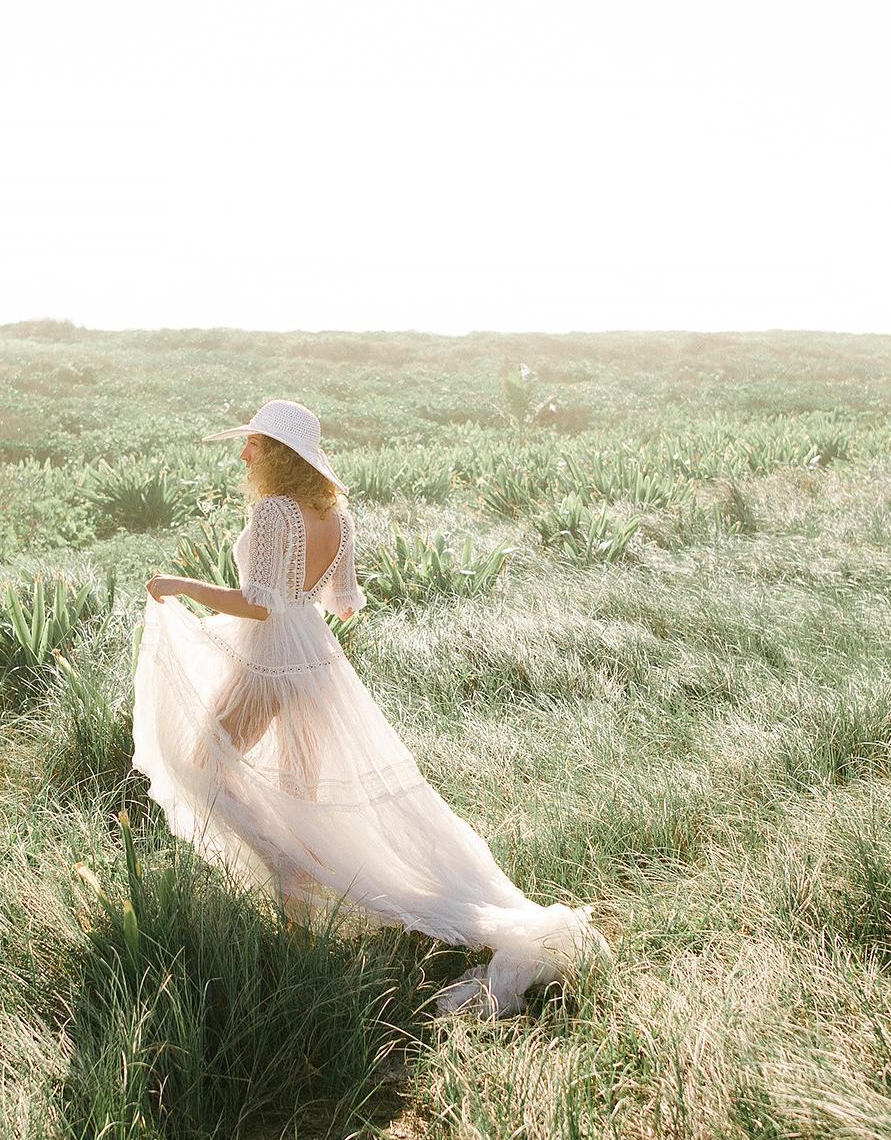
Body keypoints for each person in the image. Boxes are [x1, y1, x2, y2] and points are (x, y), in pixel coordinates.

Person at [133, 398, 607, 1015]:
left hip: (274, 656)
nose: (244, 452)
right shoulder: (336, 514)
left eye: (253, 442)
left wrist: (180, 585)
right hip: (316, 659)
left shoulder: (277, 510)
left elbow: (259, 603)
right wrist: (302, 598)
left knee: (204, 763)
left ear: (277, 453)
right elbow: (346, 602)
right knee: (297, 787)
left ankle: (288, 870)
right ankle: (299, 903)